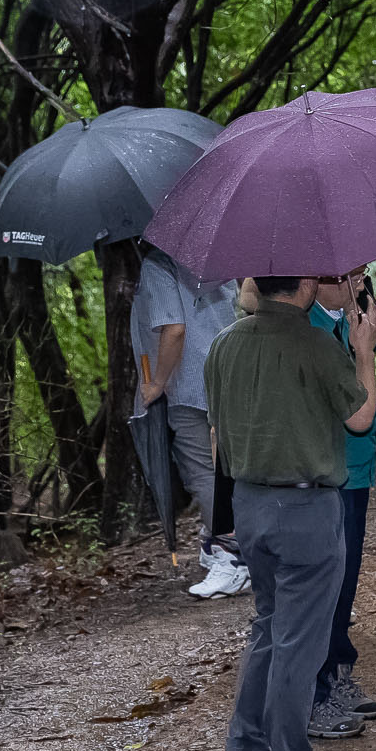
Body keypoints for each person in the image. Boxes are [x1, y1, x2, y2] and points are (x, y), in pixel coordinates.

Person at [207, 273, 376, 751]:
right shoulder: (312, 343)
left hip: (250, 502)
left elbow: (218, 429)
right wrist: (364, 350)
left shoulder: (223, 343)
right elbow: (359, 419)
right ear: (306, 283)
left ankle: (244, 749)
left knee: (267, 626)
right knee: (297, 642)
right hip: (305, 506)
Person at [130, 246, 245, 597]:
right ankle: (229, 545)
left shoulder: (159, 263)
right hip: (234, 371)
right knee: (232, 468)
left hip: (192, 387)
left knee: (203, 472)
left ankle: (234, 558)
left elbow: (175, 329)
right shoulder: (215, 250)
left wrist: (156, 383)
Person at [307, 269, 376, 739]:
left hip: (354, 471)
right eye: (352, 276)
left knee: (346, 581)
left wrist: (371, 341)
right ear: (319, 280)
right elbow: (354, 409)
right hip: (333, 470)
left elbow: (356, 381)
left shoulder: (341, 321)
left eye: (364, 275)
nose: (362, 285)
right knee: (329, 587)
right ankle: (318, 693)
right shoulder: (313, 330)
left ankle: (338, 675)